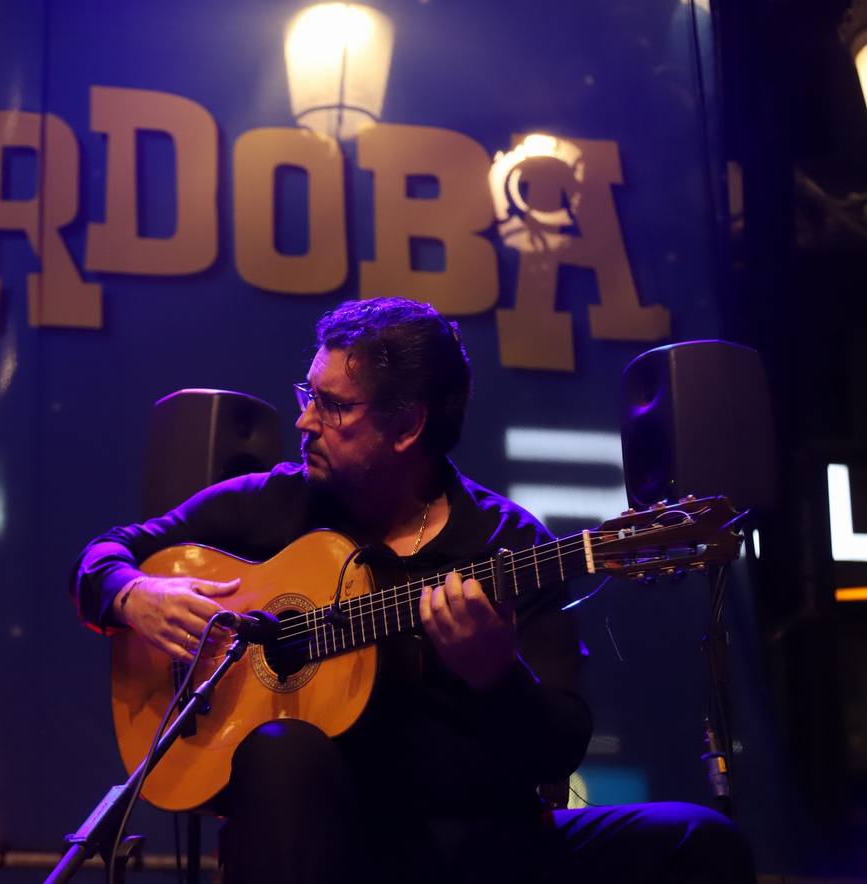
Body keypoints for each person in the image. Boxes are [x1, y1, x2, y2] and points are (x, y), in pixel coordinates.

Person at [71, 297, 754, 883]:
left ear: (406, 426)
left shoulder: (505, 542)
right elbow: (106, 553)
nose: (305, 421)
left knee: (699, 840)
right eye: (307, 395)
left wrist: (497, 676)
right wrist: (132, 595)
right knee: (282, 750)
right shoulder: (272, 505)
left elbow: (559, 745)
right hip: (331, 841)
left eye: (334, 406)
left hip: (479, 845)